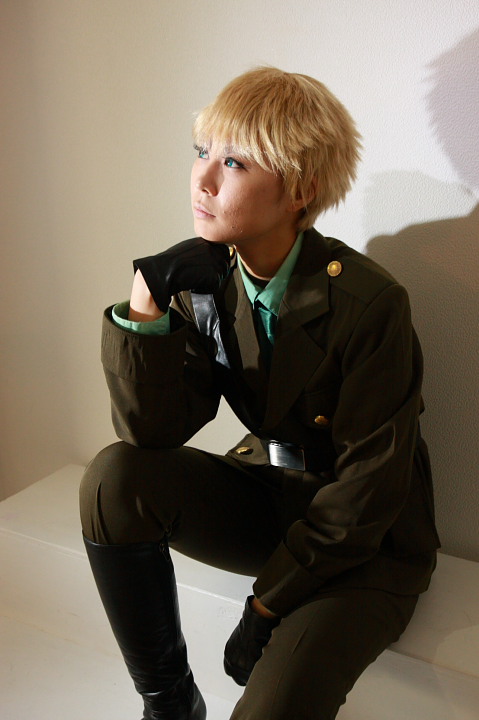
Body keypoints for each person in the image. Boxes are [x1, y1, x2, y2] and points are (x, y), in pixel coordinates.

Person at [80, 66, 440, 720]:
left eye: (234, 162)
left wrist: (266, 604)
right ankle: (168, 703)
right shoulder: (205, 282)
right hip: (271, 500)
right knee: (113, 477)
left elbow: (366, 492)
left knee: (269, 708)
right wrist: (146, 305)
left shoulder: (368, 303)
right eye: (201, 152)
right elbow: (151, 433)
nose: (203, 179)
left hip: (364, 545)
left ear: (299, 190)